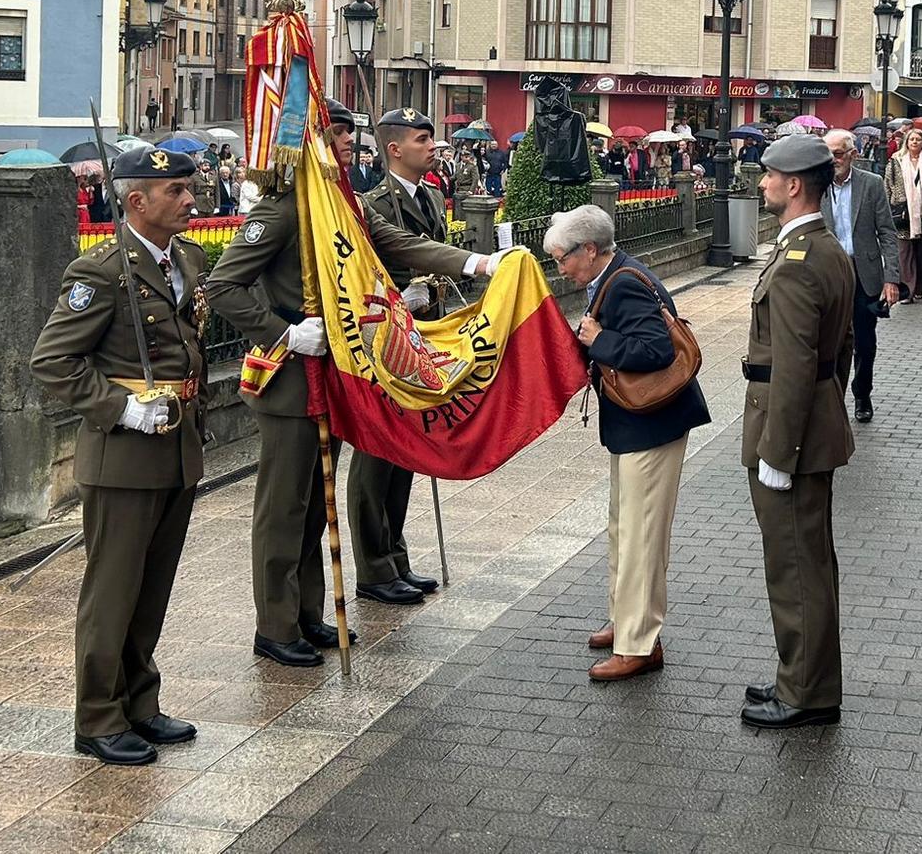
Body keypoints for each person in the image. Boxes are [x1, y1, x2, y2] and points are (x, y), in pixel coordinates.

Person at [206, 101, 506, 664]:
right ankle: (274, 625)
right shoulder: (280, 211)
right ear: (309, 144)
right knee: (284, 508)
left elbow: (402, 246)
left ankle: (305, 614)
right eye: (337, 133)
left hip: (337, 375)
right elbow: (222, 286)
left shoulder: (342, 209)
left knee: (315, 504)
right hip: (291, 379)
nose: (348, 142)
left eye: (349, 132)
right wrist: (286, 332)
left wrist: (480, 265)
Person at [28, 145, 209, 767]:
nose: (191, 201)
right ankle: (98, 718)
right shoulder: (103, 271)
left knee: (153, 587)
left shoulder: (186, 256)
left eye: (189, 190)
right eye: (177, 192)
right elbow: (52, 361)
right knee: (113, 590)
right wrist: (120, 408)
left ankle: (140, 702)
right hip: (125, 454)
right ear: (137, 201)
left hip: (178, 445)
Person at [548, 204, 709, 684]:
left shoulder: (622, 283)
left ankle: (638, 644)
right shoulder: (617, 273)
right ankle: (626, 621)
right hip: (637, 425)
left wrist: (599, 340)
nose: (560, 268)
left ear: (590, 250)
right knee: (625, 527)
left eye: (562, 259)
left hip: (651, 423)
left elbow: (655, 350)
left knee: (641, 535)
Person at [361, 108, 510, 605]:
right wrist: (402, 297)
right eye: (423, 139)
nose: (433, 146)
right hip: (385, 342)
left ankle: (396, 556)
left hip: (426, 336)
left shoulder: (427, 195)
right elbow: (373, 268)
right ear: (394, 149)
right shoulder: (374, 203)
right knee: (378, 456)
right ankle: (374, 565)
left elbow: (432, 251)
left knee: (408, 451)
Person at [741, 133, 854, 729]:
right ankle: (802, 676)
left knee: (795, 565)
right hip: (815, 426)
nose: (762, 185)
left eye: (768, 176)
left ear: (794, 185)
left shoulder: (799, 264)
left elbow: (794, 368)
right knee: (809, 559)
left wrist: (777, 452)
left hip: (792, 434)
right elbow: (843, 351)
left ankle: (805, 694)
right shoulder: (825, 250)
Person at [822, 129, 899, 425]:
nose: (833, 160)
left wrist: (891, 280)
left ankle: (862, 393)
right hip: (829, 274)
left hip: (863, 273)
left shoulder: (872, 184)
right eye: (828, 154)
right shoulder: (817, 185)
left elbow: (888, 234)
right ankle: (832, 398)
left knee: (864, 342)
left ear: (853, 155)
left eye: (838, 154)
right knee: (830, 339)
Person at [885, 127, 922, 303]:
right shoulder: (896, 162)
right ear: (906, 143)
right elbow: (887, 185)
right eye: (912, 140)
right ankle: (907, 291)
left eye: (918, 140)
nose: (915, 142)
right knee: (904, 254)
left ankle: (919, 289)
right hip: (902, 214)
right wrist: (885, 211)